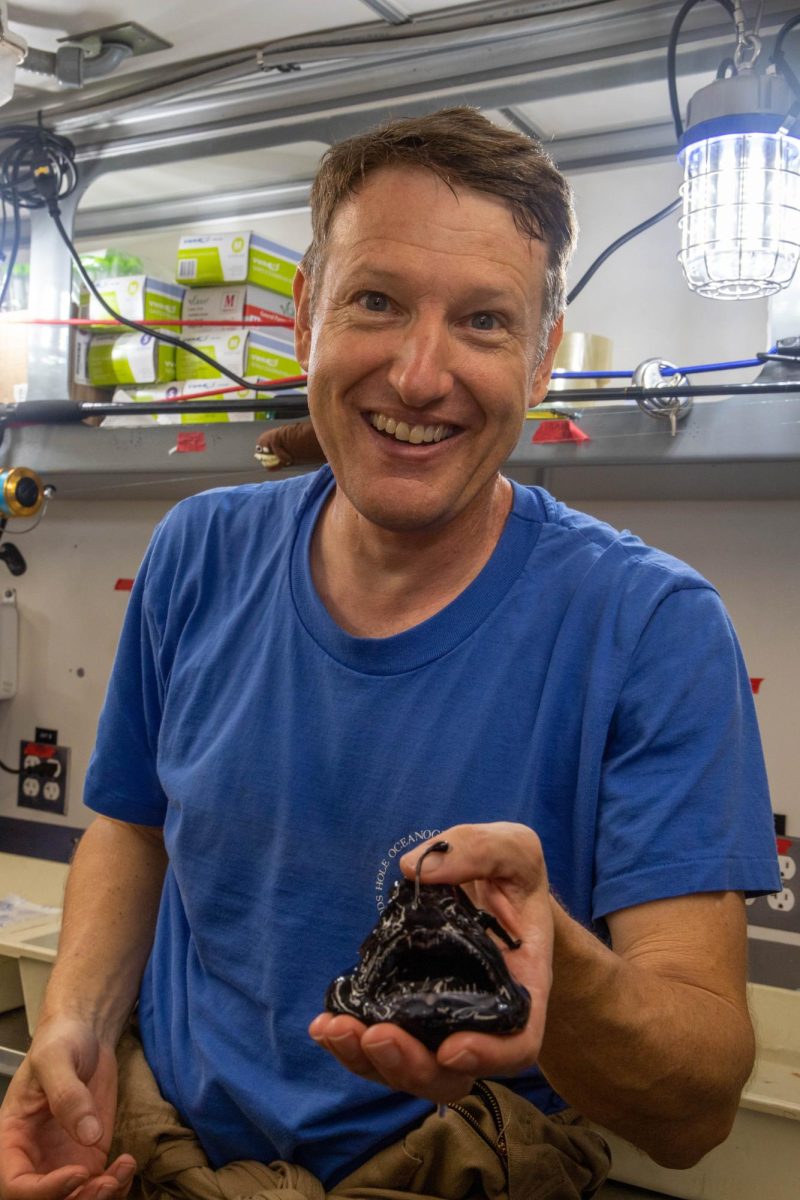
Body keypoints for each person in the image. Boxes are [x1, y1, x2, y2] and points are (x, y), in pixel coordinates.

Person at [0, 107, 781, 1200]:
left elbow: (696, 1106)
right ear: (304, 314)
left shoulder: (652, 631)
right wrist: (77, 1027)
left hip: (455, 1171)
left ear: (543, 358)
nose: (418, 375)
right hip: (157, 1151)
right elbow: (134, 830)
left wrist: (555, 966)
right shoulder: (196, 553)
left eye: (481, 321)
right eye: (375, 301)